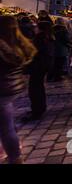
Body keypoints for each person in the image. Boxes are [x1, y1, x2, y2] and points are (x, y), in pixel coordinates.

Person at [0, 16, 36, 164]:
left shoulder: (4, 46)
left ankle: (14, 156)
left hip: (3, 89)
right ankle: (12, 151)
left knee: (6, 127)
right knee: (7, 123)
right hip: (11, 89)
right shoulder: (21, 44)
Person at [23, 21, 55, 121]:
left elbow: (35, 52)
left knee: (34, 88)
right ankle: (40, 107)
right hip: (43, 65)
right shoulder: (49, 37)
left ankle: (37, 110)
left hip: (38, 66)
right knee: (38, 87)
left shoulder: (41, 38)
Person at [48, 18, 71, 82]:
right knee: (59, 64)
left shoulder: (52, 28)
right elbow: (66, 39)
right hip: (62, 49)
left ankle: (50, 77)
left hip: (53, 48)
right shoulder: (64, 29)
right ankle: (57, 77)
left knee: (54, 64)